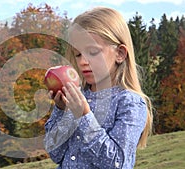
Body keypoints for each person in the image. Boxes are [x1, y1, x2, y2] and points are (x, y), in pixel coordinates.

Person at [44, 7, 153, 169]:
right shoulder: (77, 97)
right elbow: (55, 153)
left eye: (93, 52)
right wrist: (61, 110)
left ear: (120, 54)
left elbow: (116, 163)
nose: (82, 62)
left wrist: (84, 116)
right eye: (78, 54)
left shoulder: (130, 103)